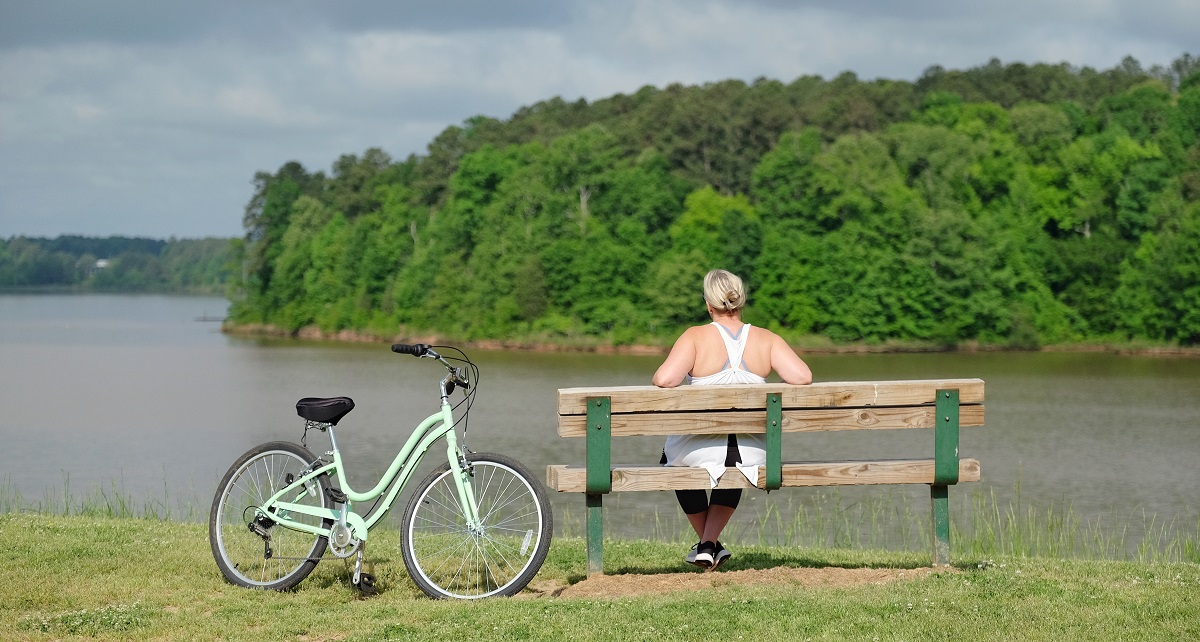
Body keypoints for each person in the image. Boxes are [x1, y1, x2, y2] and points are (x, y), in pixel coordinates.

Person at [652, 269, 812, 570]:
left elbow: (664, 378)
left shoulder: (695, 337)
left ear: (708, 304)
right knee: (735, 458)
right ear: (741, 301)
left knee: (671, 457)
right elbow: (802, 376)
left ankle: (707, 544)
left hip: (695, 449)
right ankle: (709, 544)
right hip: (753, 451)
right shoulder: (767, 339)